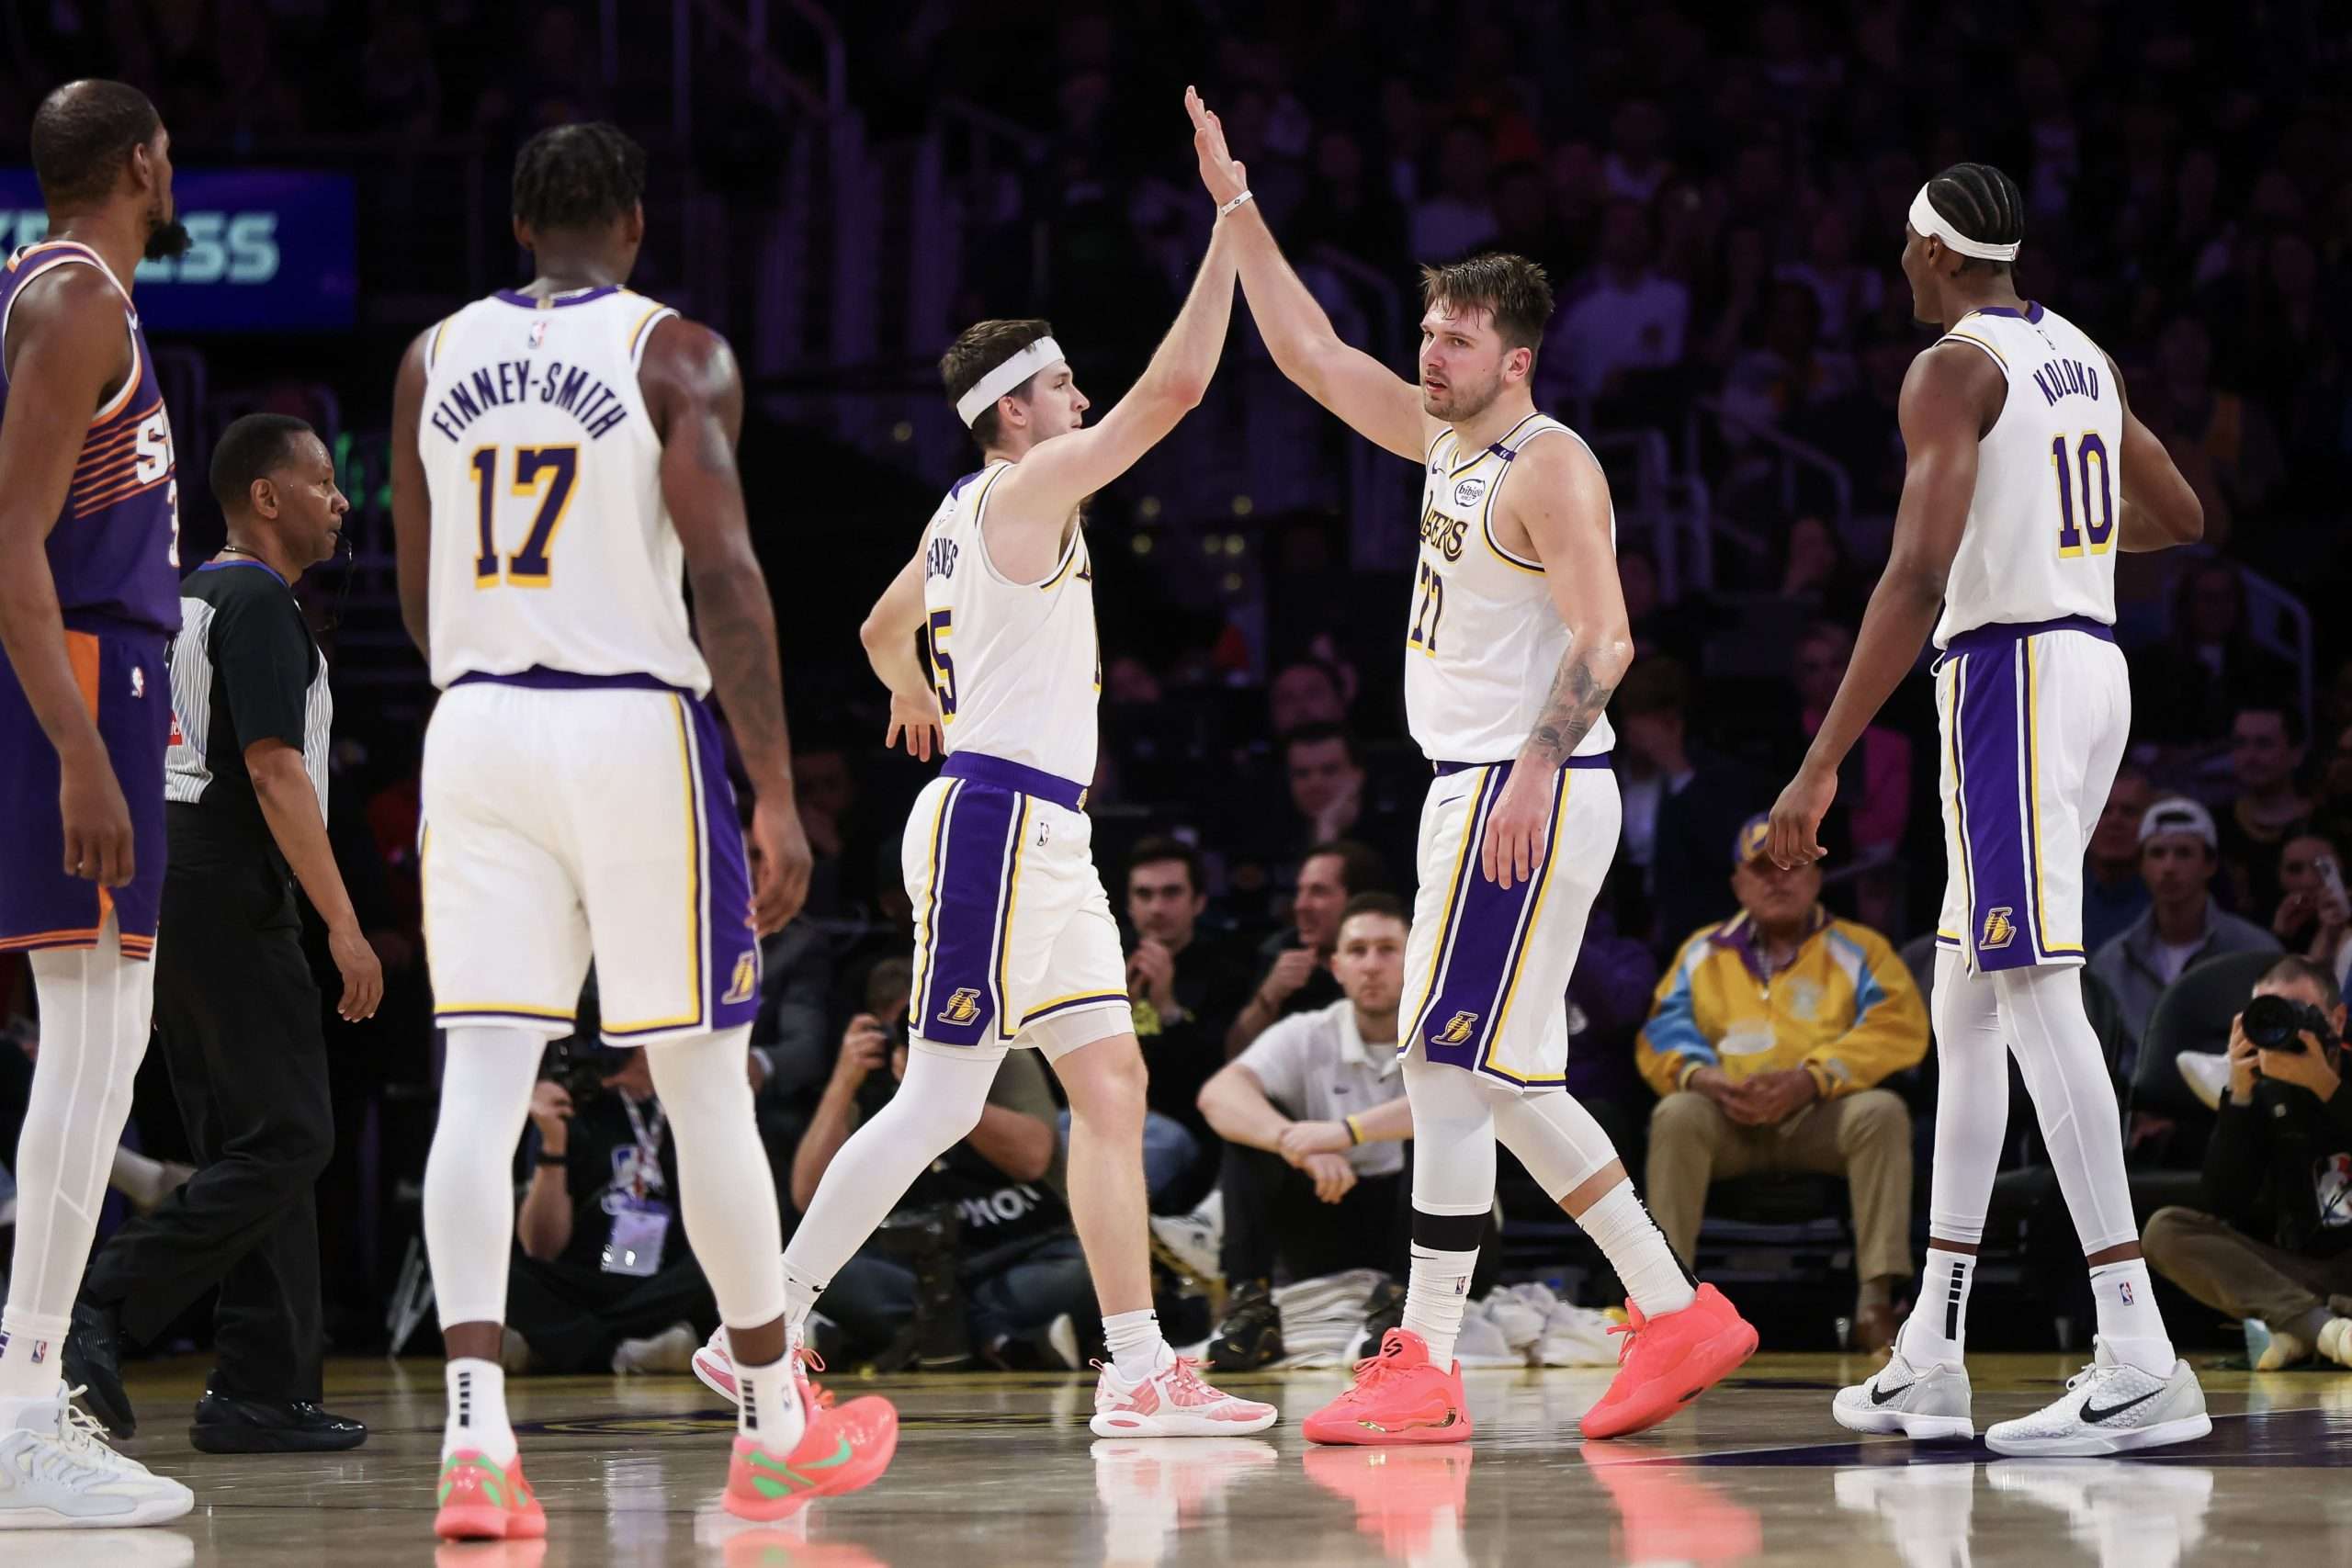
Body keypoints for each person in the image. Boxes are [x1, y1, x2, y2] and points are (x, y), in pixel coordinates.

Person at [693, 90, 1275, 1447]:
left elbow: (876, 626)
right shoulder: (1023, 489)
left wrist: (909, 684)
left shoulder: (960, 512)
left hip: (1038, 832)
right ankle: (757, 1328)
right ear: (1016, 410)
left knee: (1112, 1086)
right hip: (995, 824)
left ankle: (1137, 1367)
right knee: (941, 1099)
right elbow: (1178, 391)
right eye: (1064, 387)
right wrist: (1230, 223)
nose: (1082, 400)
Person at [1193, 91, 1754, 1449]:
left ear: (1517, 358)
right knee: (1503, 1079)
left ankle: (1425, 1359)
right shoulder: (1452, 440)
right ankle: (1674, 1309)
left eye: (1454, 338)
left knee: (1447, 1064)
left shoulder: (1548, 465)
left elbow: (1608, 636)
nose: (1429, 353)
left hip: (1525, 786)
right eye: (1428, 332)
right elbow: (1312, 354)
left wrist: (1533, 769)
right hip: (1479, 783)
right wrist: (1237, 206)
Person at [390, 121, 889, 1540]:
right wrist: (775, 786)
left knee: (482, 1082)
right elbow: (725, 575)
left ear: (515, 225)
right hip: (625, 721)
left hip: (474, 720)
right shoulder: (677, 354)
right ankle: (774, 1424)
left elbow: (420, 591)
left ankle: (475, 1443)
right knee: (704, 1078)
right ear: (637, 223)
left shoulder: (430, 357)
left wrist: (497, 665)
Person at [1770, 163, 2213, 1454]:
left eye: (1902, 245)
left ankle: (2137, 1349)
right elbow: (2180, 515)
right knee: (1964, 997)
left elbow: (1914, 578)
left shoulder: (1949, 370)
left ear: (1933, 250)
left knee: (2027, 989)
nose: (1898, 263)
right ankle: (1933, 1349)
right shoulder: (2080, 353)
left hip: (2012, 676)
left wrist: (1820, 760)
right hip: (2092, 665)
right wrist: (2049, 534)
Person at [67, 415, 378, 1454]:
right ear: (266, 497)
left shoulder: (184, 597)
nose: (341, 500)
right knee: (292, 1139)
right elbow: (275, 769)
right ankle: (96, 1306)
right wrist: (344, 923)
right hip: (226, 877)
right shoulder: (257, 600)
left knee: (250, 1144)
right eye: (323, 482)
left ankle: (260, 1386)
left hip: (165, 876)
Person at [0, 78, 197, 1526]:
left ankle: (26, 1393)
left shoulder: (56, 289)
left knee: (104, 1043)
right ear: (139, 162)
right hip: (78, 672)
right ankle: (22, 1405)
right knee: (89, 1043)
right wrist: (76, 745)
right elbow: (10, 535)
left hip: (96, 674)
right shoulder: (76, 301)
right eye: (168, 154)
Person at [1637, 817, 1928, 1353]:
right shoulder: (1702, 952)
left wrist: (1814, 1077)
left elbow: (1898, 1027)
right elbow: (1662, 1031)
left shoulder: (1860, 948)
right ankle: (1668, 1307)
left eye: (1793, 866)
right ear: (1738, 884)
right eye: (1762, 868)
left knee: (1882, 1111)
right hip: (1727, 1120)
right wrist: (1704, 1077)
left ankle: (1875, 1303)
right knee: (1676, 1114)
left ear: (1817, 876)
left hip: (1819, 1117)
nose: (1778, 879)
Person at [791, 1009, 1093, 1371]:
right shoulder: (868, 1073)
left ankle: (907, 1341)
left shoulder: (1004, 1053)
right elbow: (807, 1196)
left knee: (1083, 1267)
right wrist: (842, 1083)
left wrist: (943, 1092)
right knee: (822, 1268)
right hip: (913, 1268)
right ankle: (1004, 1342)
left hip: (1012, 1252)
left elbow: (1032, 1159)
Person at [1196, 895, 1419, 1369]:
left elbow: (1461, 1102)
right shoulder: (1308, 1031)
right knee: (1254, 1128)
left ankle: (1406, 1307)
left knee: (1441, 1138)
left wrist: (1342, 1133)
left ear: (1415, 958)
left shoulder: (1444, 1030)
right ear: (1337, 968)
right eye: (1357, 951)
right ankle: (1251, 1307)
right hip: (1327, 1210)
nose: (1372, 965)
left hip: (1419, 1226)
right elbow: (1217, 1094)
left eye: (1387, 949)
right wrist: (1292, 1143)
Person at [2142, 956, 2352, 1371]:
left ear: (2339, 1020)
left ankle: (2298, 1327)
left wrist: (2326, 1087)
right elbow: (2225, 1201)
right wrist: (2238, 1097)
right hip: (2298, 1271)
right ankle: (2325, 1328)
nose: (2287, 1026)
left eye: (2299, 1012)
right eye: (2272, 1014)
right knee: (2164, 1230)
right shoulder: (2259, 1088)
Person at [505, 1045, 721, 1377]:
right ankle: (623, 1353)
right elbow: (541, 1247)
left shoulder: (691, 1104)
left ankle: (558, 1346)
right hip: (586, 1278)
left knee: (721, 1263)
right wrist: (553, 1143)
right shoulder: (569, 1105)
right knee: (502, 1274)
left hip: (663, 1282)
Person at [2088, 799, 2279, 1053]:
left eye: (2183, 853)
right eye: (2157, 853)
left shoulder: (2257, 953)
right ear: (2142, 865)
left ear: (2210, 864)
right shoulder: (2112, 963)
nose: (2169, 867)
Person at [1121, 837, 1251, 1205]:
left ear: (1199, 902)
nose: (1156, 908)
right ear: (1129, 905)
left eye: (1171, 893)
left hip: (1180, 1129)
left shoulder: (1228, 973)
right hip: (1100, 1115)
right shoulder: (1104, 964)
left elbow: (1215, 1077)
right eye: (1144, 895)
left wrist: (1167, 1008)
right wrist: (1115, 1012)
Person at [1226, 839, 1385, 1055]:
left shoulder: (1398, 961)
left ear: (1358, 901)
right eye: (1300, 892)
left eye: (1318, 892)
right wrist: (1269, 995)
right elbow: (1235, 1054)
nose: (1300, 905)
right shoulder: (1277, 952)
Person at [2216, 705, 2312, 919]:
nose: (2250, 756)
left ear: (2296, 753)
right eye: (2240, 743)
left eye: (2264, 744)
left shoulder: (2324, 825)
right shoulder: (2214, 826)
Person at [2082, 768, 2155, 956]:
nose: (2115, 821)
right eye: (2103, 811)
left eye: (2129, 812)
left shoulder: (2171, 896)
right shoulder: (2055, 894)